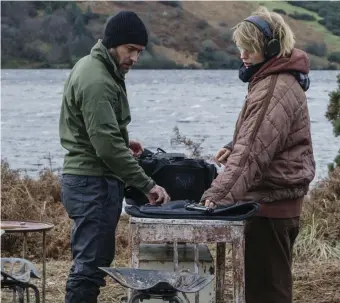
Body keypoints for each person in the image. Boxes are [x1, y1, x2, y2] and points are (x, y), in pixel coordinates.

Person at [201, 7, 315, 303]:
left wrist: (216, 196)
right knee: (271, 289)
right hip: (276, 205)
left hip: (269, 209)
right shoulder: (279, 82)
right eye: (241, 47)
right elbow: (264, 139)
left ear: (271, 48)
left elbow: (252, 154)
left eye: (250, 47)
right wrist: (233, 143)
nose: (243, 54)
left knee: (267, 295)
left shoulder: (273, 87)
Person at [59, 11, 170, 303]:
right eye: (129, 49)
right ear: (112, 43)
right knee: (89, 269)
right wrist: (148, 185)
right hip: (91, 183)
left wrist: (123, 140)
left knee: (93, 263)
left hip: (90, 179)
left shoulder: (97, 68)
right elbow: (106, 146)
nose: (134, 58)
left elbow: (98, 133)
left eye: (139, 52)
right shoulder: (98, 80)